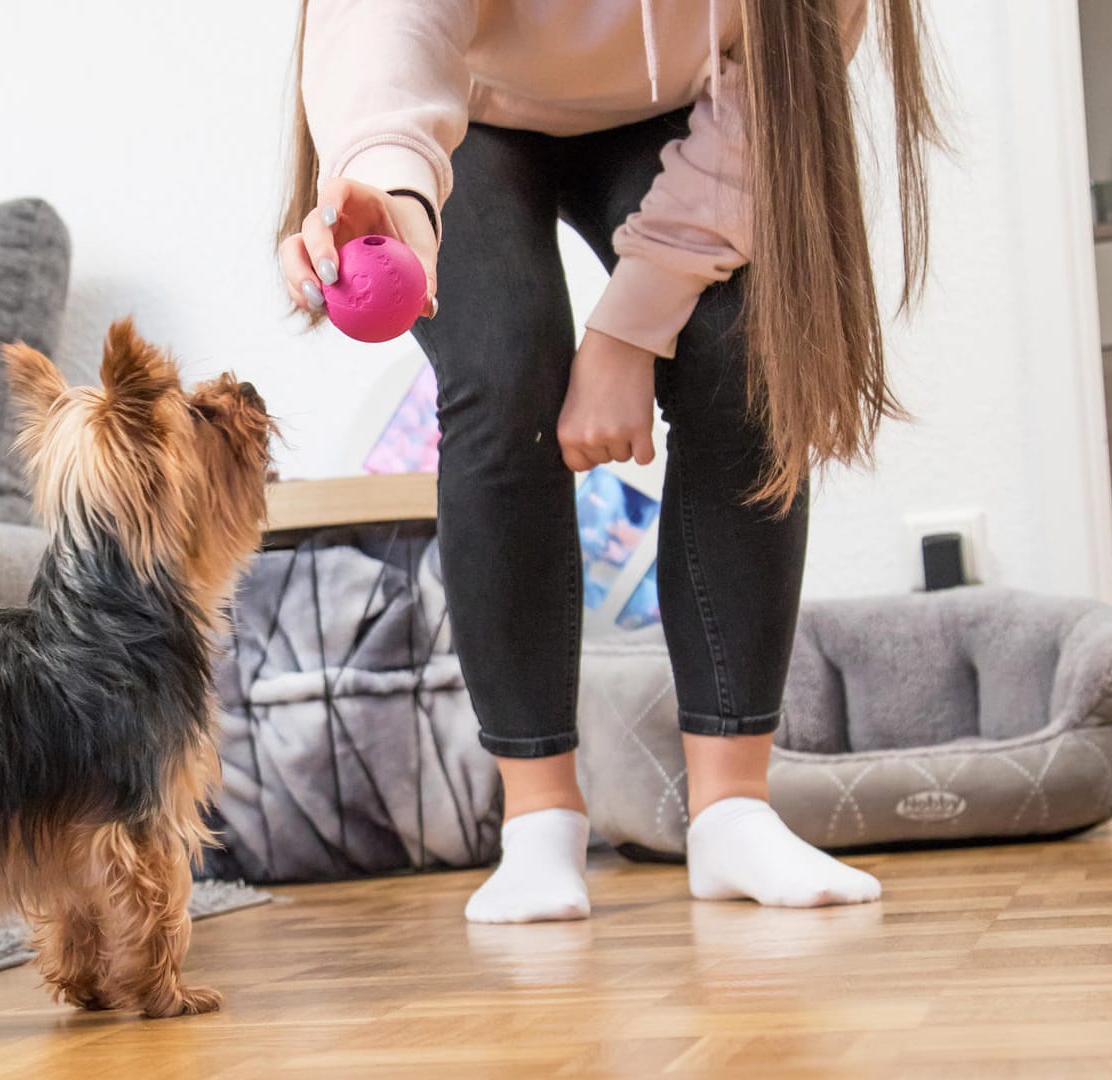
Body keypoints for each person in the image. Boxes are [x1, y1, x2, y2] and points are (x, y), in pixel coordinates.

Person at [277, 0, 942, 921]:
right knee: (504, 373)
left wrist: (630, 332)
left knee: (741, 351)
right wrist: (394, 196)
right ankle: (539, 824)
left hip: (687, 101)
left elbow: (776, 102)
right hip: (465, 101)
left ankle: (732, 812)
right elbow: (393, 36)